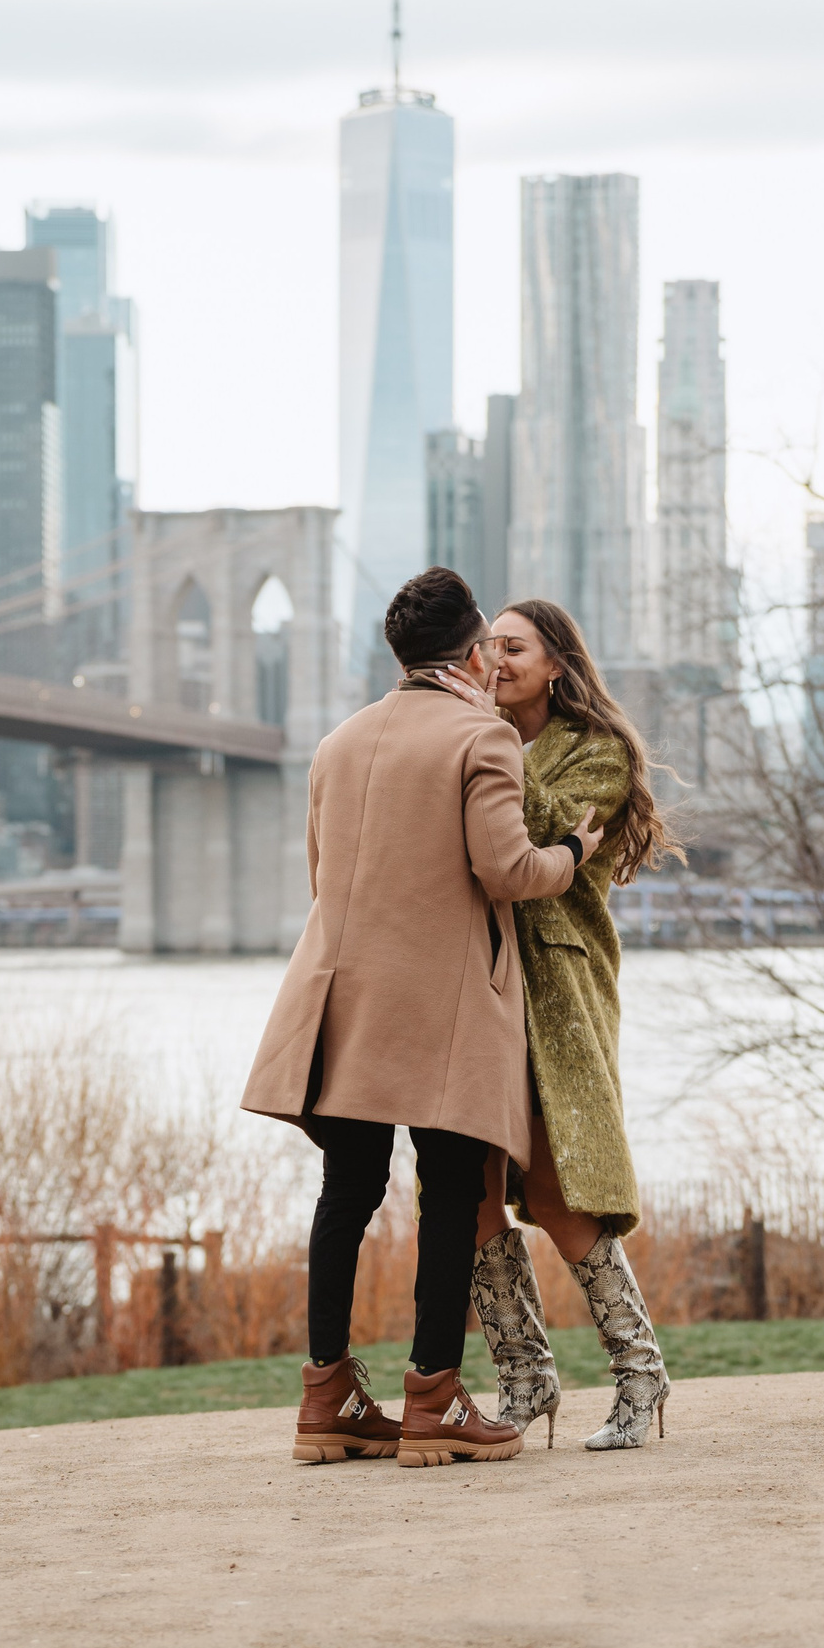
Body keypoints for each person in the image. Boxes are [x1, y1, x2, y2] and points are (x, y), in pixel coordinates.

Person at [239, 568, 605, 1469]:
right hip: (442, 1010)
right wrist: (573, 850)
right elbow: (507, 871)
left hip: (339, 1005)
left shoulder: (337, 742)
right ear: (473, 651)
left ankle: (325, 1399)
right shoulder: (482, 736)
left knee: (347, 1195)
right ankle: (431, 1403)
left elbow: (324, 877)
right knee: (447, 1197)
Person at [430, 598, 681, 1452]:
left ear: (556, 667)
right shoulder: (475, 735)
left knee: (561, 1192)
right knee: (467, 1192)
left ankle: (640, 1377)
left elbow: (534, 832)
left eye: (513, 646)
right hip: (479, 980)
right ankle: (527, 1378)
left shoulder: (598, 753)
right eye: (486, 645)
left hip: (559, 985)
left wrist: (480, 729)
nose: (493, 658)